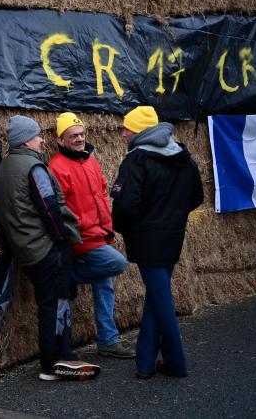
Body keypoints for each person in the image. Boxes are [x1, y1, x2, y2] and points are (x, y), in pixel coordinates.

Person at [0, 115, 100, 382]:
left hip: (25, 250)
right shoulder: (34, 168)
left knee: (53, 301)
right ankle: (53, 363)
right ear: (27, 140)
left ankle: (62, 355)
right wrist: (62, 240)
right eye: (38, 135)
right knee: (55, 304)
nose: (42, 140)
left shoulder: (1, 170)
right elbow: (49, 207)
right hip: (46, 249)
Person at [110, 106, 203, 379]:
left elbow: (125, 205)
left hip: (146, 240)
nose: (123, 133)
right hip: (173, 237)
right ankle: (145, 363)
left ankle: (176, 362)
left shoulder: (136, 160)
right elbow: (196, 196)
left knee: (161, 301)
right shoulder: (182, 155)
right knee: (156, 297)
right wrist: (172, 216)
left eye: (127, 128)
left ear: (139, 131)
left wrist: (122, 227)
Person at [49, 112, 135, 359]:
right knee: (116, 264)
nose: (79, 139)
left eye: (82, 134)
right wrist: (77, 231)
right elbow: (59, 209)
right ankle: (68, 274)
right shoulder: (56, 167)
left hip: (99, 234)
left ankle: (108, 340)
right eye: (73, 135)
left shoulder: (90, 160)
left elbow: (101, 193)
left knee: (104, 283)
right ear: (60, 140)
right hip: (81, 238)